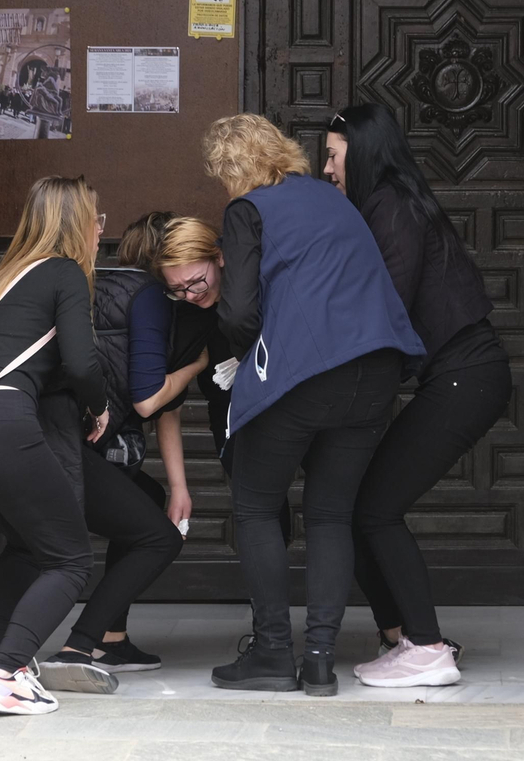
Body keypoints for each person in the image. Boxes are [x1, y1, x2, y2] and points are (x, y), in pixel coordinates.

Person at [186, 113, 425, 697]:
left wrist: (247, 353)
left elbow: (239, 312)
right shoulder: (329, 197)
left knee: (257, 507)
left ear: (229, 169)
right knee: (330, 516)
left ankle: (271, 652)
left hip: (305, 375)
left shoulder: (247, 210)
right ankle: (319, 659)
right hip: (375, 370)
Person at [323, 104, 512, 688]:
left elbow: (388, 305)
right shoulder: (389, 202)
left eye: (333, 155)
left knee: (375, 509)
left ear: (364, 150)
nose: (326, 168)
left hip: (465, 377)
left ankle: (427, 648)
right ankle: (405, 637)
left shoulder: (391, 204)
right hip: (457, 376)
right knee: (362, 511)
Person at [0, 176, 111, 716]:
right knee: (70, 560)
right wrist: (99, 405)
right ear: (79, 224)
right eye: (97, 219)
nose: (101, 230)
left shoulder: (8, 275)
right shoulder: (66, 273)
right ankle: (7, 675)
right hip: (1, 420)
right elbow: (81, 363)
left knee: (24, 542)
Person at [35, 213, 209, 693]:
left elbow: (161, 404)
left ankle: (111, 637)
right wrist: (197, 363)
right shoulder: (151, 298)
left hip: (55, 435)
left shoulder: (97, 283)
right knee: (161, 536)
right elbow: (150, 397)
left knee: (148, 506)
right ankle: (78, 646)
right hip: (83, 445)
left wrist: (177, 485)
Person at [153, 217, 295, 545]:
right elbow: (167, 407)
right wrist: (179, 487)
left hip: (289, 411)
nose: (189, 295)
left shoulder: (256, 290)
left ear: (220, 257)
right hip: (230, 421)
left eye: (196, 282)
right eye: (176, 289)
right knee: (262, 513)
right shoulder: (183, 313)